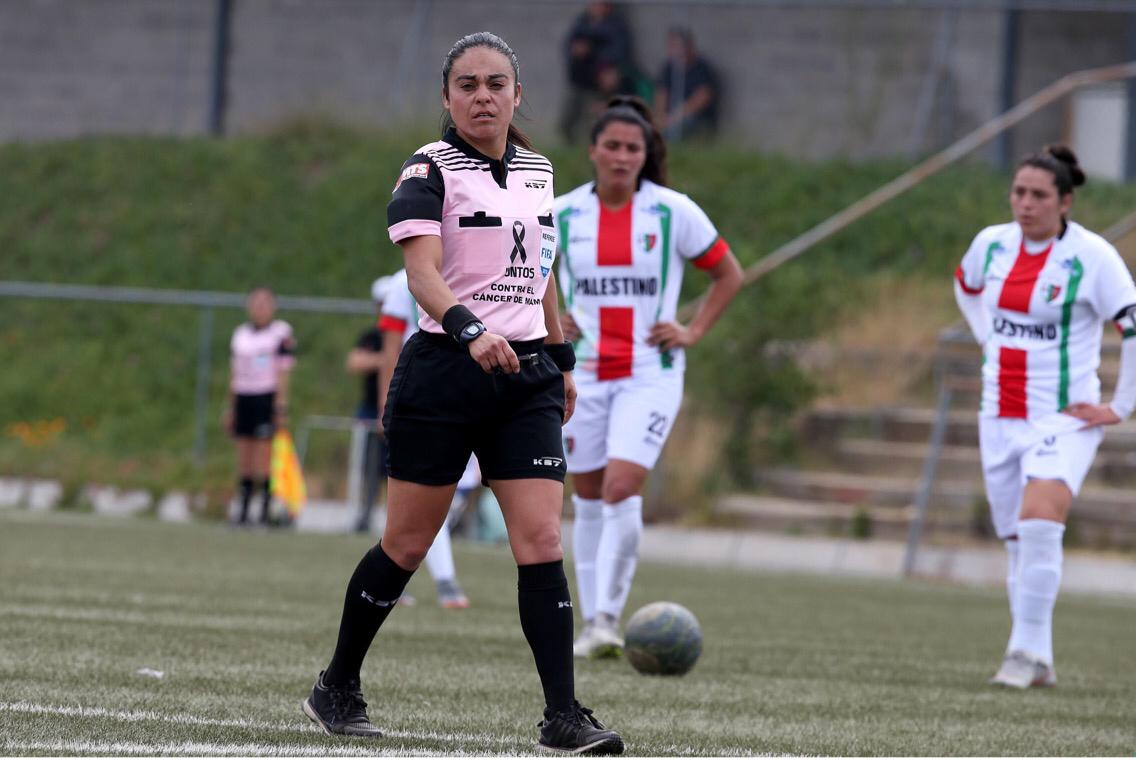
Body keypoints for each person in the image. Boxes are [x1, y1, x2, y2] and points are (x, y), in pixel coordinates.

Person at [302, 32, 623, 755]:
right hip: (446, 371)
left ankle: (563, 715)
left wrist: (563, 354)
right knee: (407, 543)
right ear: (448, 98)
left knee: (541, 541)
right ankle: (337, 684)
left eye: (497, 83)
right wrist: (472, 329)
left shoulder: (539, 172)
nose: (484, 95)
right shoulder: (428, 168)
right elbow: (422, 273)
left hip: (527, 379)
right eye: (469, 84)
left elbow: (542, 270)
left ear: (518, 94)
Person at [554, 96, 743, 658]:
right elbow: (529, 276)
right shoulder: (562, 213)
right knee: (587, 497)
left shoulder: (673, 211)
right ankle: (592, 625)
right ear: (592, 150)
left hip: (648, 371)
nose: (621, 156)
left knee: (621, 487)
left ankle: (610, 617)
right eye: (611, 145)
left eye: (632, 148)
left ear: (645, 155)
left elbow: (728, 274)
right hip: (581, 372)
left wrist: (692, 330)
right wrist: (551, 321)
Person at [954, 144, 1136, 688]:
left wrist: (1122, 405)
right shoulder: (990, 245)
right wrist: (986, 333)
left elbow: (1133, 326)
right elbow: (964, 287)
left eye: (1038, 195)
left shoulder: (1092, 257)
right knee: (1016, 539)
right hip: (999, 412)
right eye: (1018, 192)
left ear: (1065, 202)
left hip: (1064, 416)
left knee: (1039, 521)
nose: (1025, 204)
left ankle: (1024, 654)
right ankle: (1040, 657)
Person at [377, 267, 472, 609]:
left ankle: (391, 576)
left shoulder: (478, 262)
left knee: (453, 496)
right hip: (425, 394)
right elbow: (391, 344)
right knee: (424, 498)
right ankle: (444, 580)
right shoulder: (405, 280)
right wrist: (385, 400)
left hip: (477, 393)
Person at [225, 286, 296, 526]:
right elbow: (234, 373)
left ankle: (265, 511)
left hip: (266, 396)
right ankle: (243, 510)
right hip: (244, 395)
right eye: (256, 303)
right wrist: (230, 406)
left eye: (265, 303)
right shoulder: (240, 334)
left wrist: (280, 405)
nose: (260, 308)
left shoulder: (280, 332)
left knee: (264, 457)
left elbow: (284, 371)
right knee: (244, 456)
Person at [345, 276, 393, 533]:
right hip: (370, 411)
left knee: (396, 471)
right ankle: (365, 515)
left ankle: (392, 522)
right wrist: (386, 358)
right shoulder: (372, 336)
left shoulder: (410, 333)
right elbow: (354, 362)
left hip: (400, 411)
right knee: (370, 468)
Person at [559, 2, 637, 143]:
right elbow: (569, 44)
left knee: (593, 123)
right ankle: (571, 150)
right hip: (578, 81)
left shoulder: (616, 26)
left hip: (597, 84)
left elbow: (618, 52)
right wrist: (576, 50)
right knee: (566, 123)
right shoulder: (582, 22)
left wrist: (593, 53)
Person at [653, 27, 719, 141]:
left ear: (689, 46)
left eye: (676, 46)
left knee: (675, 131)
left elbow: (702, 98)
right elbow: (662, 93)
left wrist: (673, 118)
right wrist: (659, 116)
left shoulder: (702, 68)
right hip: (670, 117)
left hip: (694, 119)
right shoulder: (669, 67)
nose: (672, 51)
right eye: (670, 46)